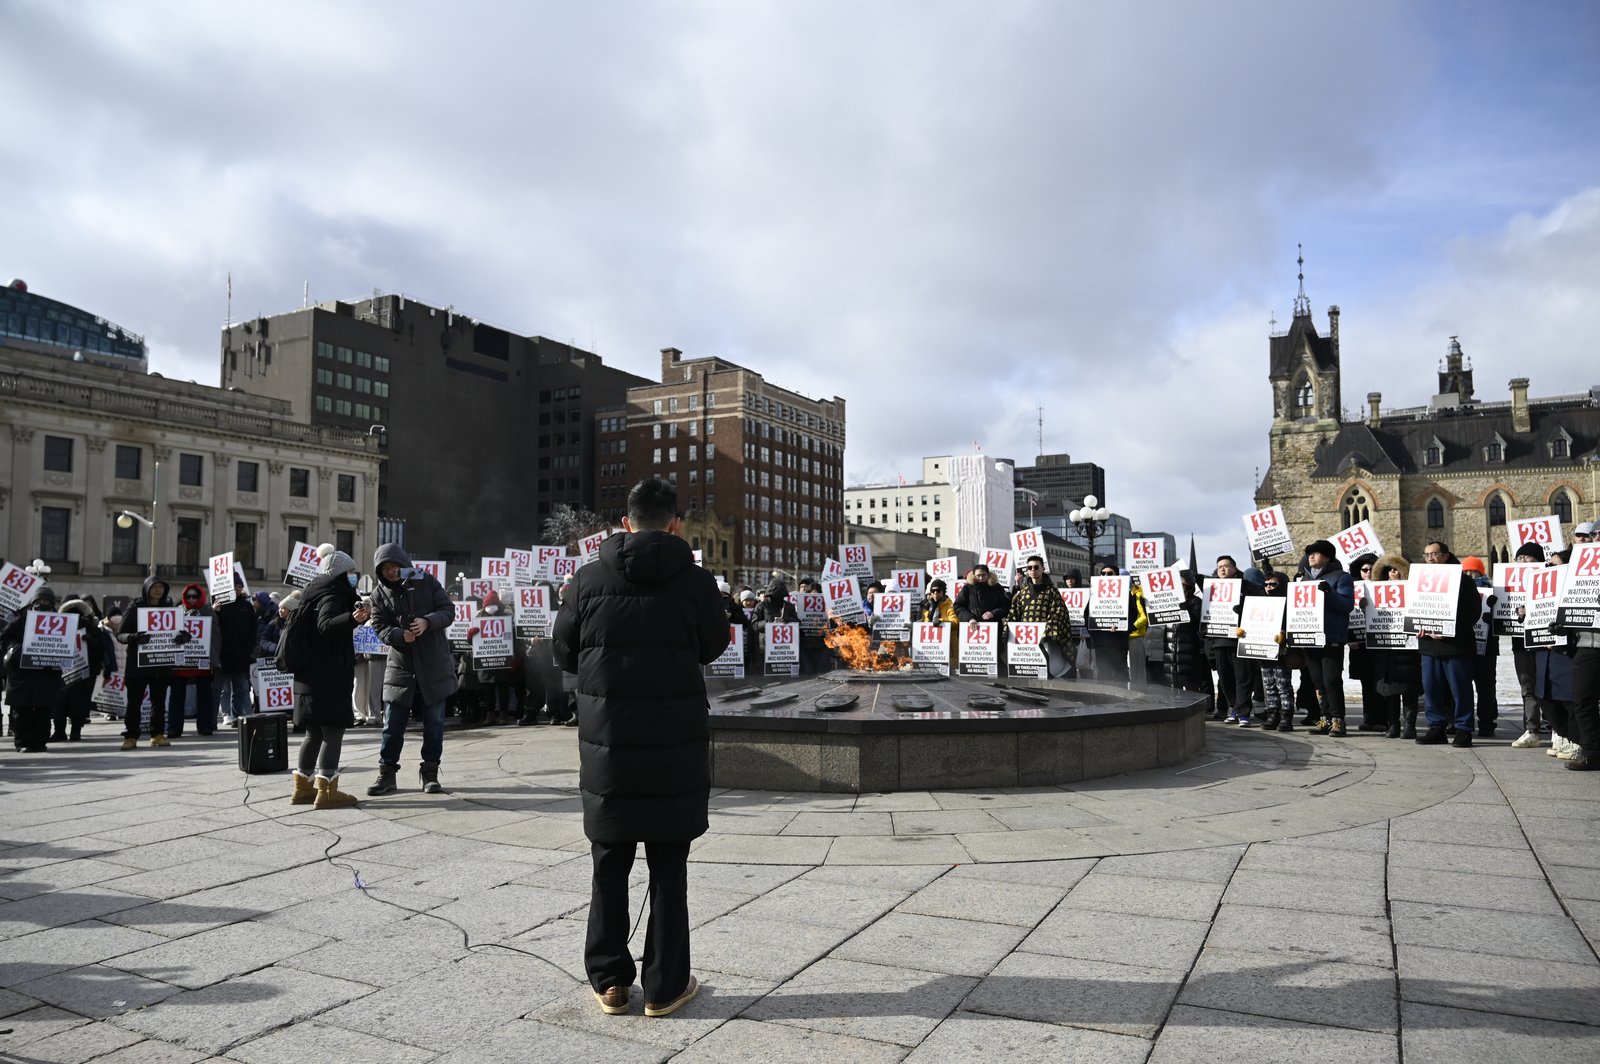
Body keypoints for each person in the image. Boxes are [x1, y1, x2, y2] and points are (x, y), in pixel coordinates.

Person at [553, 476, 730, 1019]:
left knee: (609, 863)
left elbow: (563, 655)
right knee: (668, 866)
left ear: (624, 523)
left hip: (610, 747)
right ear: (675, 523)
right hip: (673, 747)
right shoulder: (697, 583)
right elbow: (715, 644)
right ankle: (664, 987)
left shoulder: (585, 581)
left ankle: (610, 982)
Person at [368, 544, 459, 796]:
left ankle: (430, 773)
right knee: (392, 724)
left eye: (394, 566)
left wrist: (427, 621)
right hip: (401, 665)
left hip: (433, 663)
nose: (391, 572)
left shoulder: (426, 581)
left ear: (404, 564)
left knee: (434, 723)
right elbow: (379, 626)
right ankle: (387, 774)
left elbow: (448, 611)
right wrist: (399, 635)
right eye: (385, 568)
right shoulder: (378, 594)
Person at [287, 550, 369, 808]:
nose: (353, 577)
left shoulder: (312, 593)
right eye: (351, 573)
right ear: (340, 574)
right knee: (333, 731)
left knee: (313, 733)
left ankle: (302, 788)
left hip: (309, 677)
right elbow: (326, 625)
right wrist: (352, 619)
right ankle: (327, 790)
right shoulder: (332, 595)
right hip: (328, 677)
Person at [117, 574, 185, 749]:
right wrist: (134, 637)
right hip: (137, 665)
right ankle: (131, 736)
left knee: (159, 702)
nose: (158, 590)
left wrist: (182, 637)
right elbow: (120, 635)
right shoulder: (135, 607)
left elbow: (183, 632)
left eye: (161, 587)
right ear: (147, 589)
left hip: (160, 664)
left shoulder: (169, 608)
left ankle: (157, 734)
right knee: (134, 702)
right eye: (155, 587)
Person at [1298, 539, 1356, 737]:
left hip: (1331, 637)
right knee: (1318, 681)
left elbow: (1346, 606)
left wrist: (1328, 592)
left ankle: (1338, 720)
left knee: (1331, 679)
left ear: (1328, 557)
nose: (1311, 556)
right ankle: (1325, 718)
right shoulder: (1303, 580)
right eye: (1309, 553)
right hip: (1309, 638)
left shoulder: (1341, 577)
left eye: (1316, 553)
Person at [1, 585, 65, 752]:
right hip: (22, 675)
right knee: (22, 713)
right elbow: (5, 639)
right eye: (40, 600)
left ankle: (40, 742)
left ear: (52, 603)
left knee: (44, 712)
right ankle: (23, 743)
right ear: (33, 602)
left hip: (47, 674)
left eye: (47, 601)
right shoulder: (20, 620)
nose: (43, 603)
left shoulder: (59, 621)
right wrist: (16, 649)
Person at [53, 596, 114, 743]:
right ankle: (61, 731)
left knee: (73, 703)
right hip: (66, 671)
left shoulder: (89, 627)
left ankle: (72, 732)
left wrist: (91, 641)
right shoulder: (61, 625)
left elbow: (100, 649)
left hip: (81, 672)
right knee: (62, 703)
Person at [166, 583, 219, 737]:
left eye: (194, 596)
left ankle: (205, 727)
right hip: (180, 662)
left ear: (200, 596)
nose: (191, 599)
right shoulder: (177, 612)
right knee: (176, 696)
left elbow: (215, 637)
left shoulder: (208, 612)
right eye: (188, 596)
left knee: (204, 696)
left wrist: (213, 659)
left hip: (202, 661)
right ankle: (174, 728)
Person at [1009, 556, 1074, 678]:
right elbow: (1014, 613)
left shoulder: (1052, 591)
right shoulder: (1022, 593)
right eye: (1030, 567)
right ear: (1027, 571)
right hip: (1026, 641)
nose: (1033, 570)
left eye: (1036, 567)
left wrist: (1048, 632)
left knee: (1046, 672)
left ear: (1043, 569)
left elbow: (1059, 612)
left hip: (1046, 639)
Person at [214, 574, 258, 729]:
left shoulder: (246, 606)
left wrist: (249, 646)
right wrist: (215, 611)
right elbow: (212, 627)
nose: (238, 589)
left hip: (241, 655)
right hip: (223, 655)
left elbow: (254, 628)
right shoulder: (219, 605)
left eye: (239, 587)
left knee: (240, 688)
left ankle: (237, 715)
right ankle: (226, 715)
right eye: (235, 586)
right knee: (223, 689)